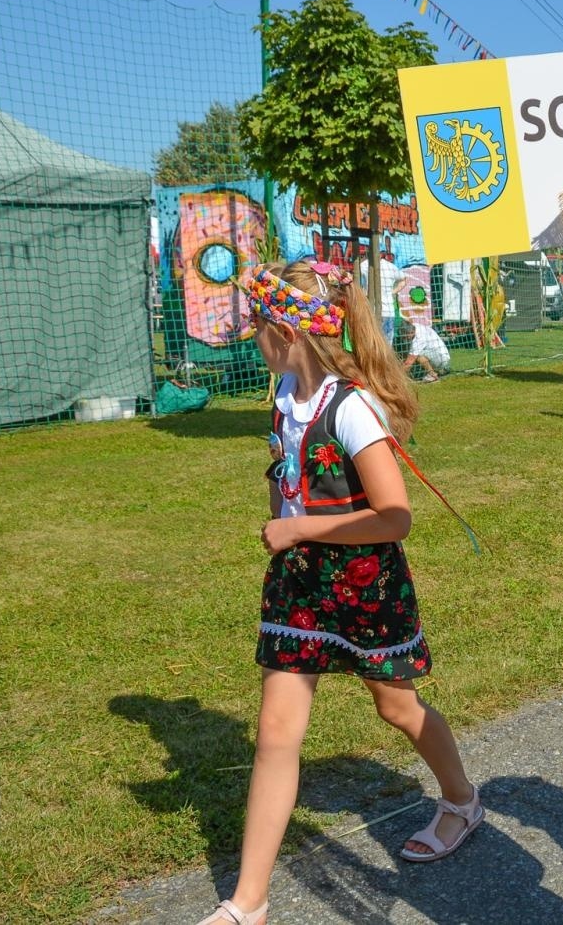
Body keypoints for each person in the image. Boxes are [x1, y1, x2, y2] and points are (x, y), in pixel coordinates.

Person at [202, 259, 480, 925]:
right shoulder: (282, 395)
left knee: (397, 709)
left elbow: (395, 515)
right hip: (300, 586)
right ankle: (248, 903)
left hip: (362, 587)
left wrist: (298, 525)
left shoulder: (352, 407)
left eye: (259, 325)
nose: (253, 336)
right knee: (275, 732)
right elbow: (286, 470)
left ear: (287, 331)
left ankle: (462, 801)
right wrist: (284, 496)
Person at [403, 318, 451, 383]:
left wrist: (399, 377)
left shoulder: (419, 338)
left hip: (441, 358)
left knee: (417, 354)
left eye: (406, 335)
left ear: (412, 332)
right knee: (414, 353)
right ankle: (436, 371)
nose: (405, 338)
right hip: (441, 355)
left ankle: (432, 375)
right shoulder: (415, 326)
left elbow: (409, 362)